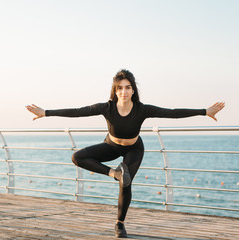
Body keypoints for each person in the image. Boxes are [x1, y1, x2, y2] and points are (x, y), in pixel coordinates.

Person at [25, 69, 225, 238]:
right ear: (115, 90)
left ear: (133, 89)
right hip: (111, 145)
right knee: (77, 157)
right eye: (120, 88)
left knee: (126, 181)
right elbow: (78, 111)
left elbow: (172, 112)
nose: (124, 91)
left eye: (128, 87)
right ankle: (115, 173)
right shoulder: (107, 107)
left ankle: (119, 223)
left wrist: (205, 111)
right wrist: (46, 113)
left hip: (134, 149)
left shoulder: (141, 109)